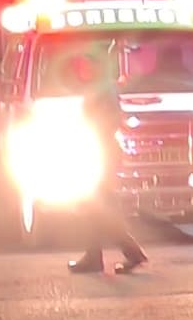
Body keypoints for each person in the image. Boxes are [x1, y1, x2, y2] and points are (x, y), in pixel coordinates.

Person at [61, 73, 149, 275]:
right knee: (98, 206)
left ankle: (126, 253)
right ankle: (99, 256)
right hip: (102, 149)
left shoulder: (101, 87)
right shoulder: (100, 87)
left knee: (99, 207)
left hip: (105, 150)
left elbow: (108, 120)